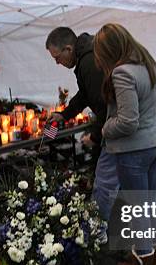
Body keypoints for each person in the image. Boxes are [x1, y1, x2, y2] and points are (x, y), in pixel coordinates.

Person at [93, 23, 156, 265]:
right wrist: (149, 131)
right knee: (150, 204)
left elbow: (127, 121)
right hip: (154, 146)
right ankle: (154, 258)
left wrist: (104, 129)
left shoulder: (122, 73)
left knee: (138, 210)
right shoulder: (149, 65)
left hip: (133, 152)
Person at [45, 27, 119, 223]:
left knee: (103, 183)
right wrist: (64, 115)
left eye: (57, 57)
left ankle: (101, 229)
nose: (57, 63)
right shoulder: (86, 56)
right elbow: (85, 94)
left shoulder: (88, 62)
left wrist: (95, 136)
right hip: (112, 128)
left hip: (113, 130)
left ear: (69, 49)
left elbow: (104, 106)